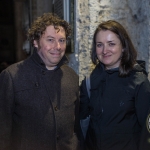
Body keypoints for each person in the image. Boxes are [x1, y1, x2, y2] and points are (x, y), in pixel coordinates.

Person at [0, 13, 80, 150]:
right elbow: (3, 131)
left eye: (62, 40)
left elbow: (76, 124)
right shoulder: (11, 76)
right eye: (50, 40)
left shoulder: (72, 76)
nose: (57, 46)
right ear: (35, 42)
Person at [79, 20, 150, 150]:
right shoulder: (89, 83)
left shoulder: (139, 82)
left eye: (111, 44)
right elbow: (81, 128)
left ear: (123, 47)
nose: (105, 50)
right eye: (99, 45)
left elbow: (147, 133)